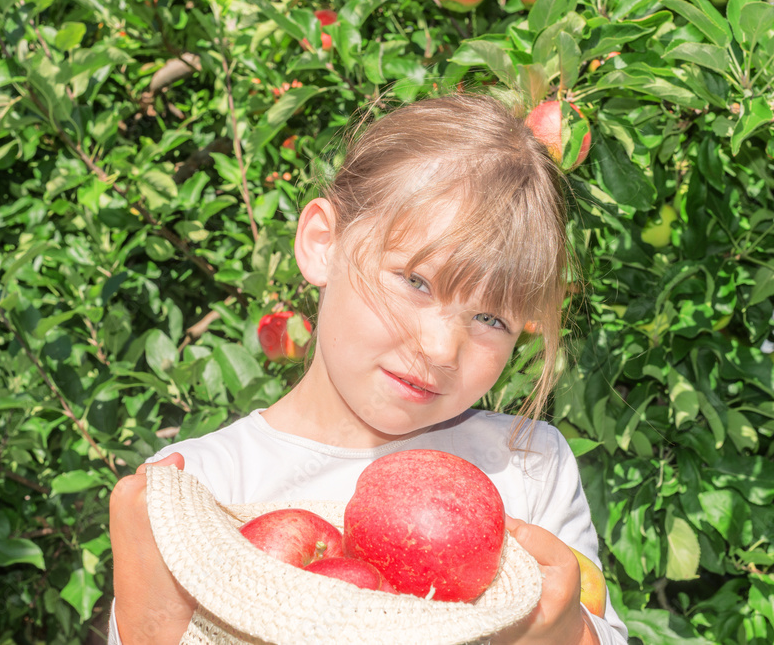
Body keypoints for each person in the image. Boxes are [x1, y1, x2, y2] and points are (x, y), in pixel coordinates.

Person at [108, 93, 629, 645]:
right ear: (322, 243)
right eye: (416, 282)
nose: (440, 348)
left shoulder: (527, 467)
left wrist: (562, 634)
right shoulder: (200, 488)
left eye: (489, 318)